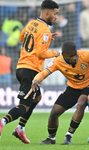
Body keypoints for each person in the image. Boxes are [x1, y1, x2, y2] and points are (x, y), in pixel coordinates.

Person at [0, 0, 60, 144]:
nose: (56, 17)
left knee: (37, 98)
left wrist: (47, 38)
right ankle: (2, 122)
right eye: (55, 13)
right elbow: (41, 53)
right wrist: (55, 53)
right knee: (23, 106)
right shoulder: (45, 29)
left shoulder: (32, 23)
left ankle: (20, 129)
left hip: (21, 67)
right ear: (47, 12)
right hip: (31, 71)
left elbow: (22, 38)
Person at [31, 41, 89, 145]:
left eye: (75, 54)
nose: (75, 57)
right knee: (54, 112)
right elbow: (44, 73)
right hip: (72, 88)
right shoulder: (57, 62)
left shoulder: (85, 55)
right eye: (71, 56)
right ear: (63, 54)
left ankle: (68, 136)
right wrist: (35, 80)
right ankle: (51, 138)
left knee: (82, 103)